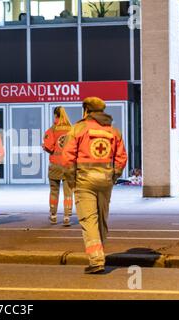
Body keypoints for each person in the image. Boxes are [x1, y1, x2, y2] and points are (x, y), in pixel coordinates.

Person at [61, 97, 128, 274]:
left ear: (86, 110)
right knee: (102, 219)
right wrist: (114, 176)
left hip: (84, 180)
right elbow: (121, 158)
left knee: (89, 219)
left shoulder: (78, 129)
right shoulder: (114, 131)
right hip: (105, 180)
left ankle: (96, 260)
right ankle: (101, 254)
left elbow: (68, 157)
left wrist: (71, 179)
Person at [42, 106, 73, 227]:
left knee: (54, 191)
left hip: (55, 165)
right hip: (68, 165)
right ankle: (66, 217)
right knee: (68, 192)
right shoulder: (72, 130)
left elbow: (49, 147)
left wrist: (45, 147)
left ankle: (53, 215)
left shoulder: (52, 129)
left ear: (55, 116)